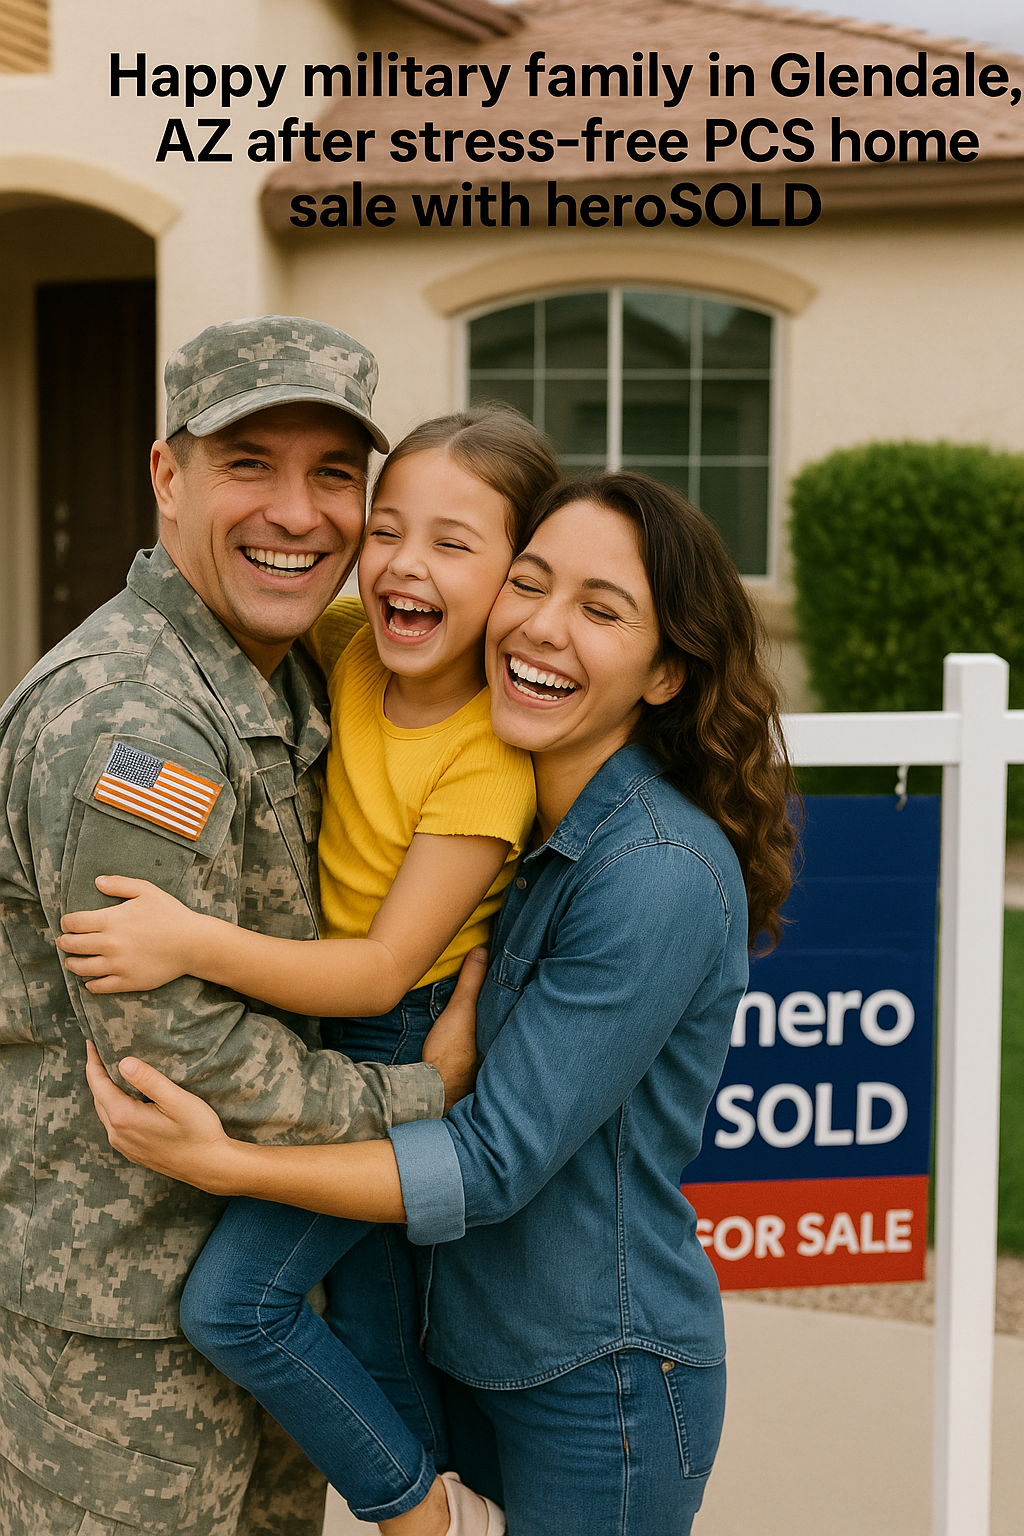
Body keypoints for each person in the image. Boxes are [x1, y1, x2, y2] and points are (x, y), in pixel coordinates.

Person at [86, 472, 798, 1536]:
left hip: (597, 1384)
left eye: (601, 612)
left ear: (663, 674)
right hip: (456, 1352)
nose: (541, 628)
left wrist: (222, 1163)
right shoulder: (506, 828)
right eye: (529, 583)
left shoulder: (653, 870)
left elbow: (495, 1163)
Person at [0, 315, 482, 1536]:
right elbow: (175, 1052)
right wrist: (419, 1102)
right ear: (168, 476)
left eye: (334, 475)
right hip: (118, 1334)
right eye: (249, 464)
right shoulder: (136, 720)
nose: (299, 513)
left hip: (261, 1287)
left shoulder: (289, 664)